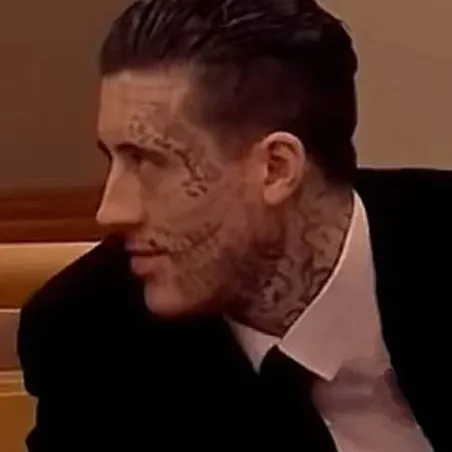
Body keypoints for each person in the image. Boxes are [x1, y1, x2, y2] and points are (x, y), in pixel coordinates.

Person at [18, 0, 450, 450]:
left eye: (147, 161)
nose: (111, 211)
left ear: (276, 168)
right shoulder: (88, 339)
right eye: (114, 159)